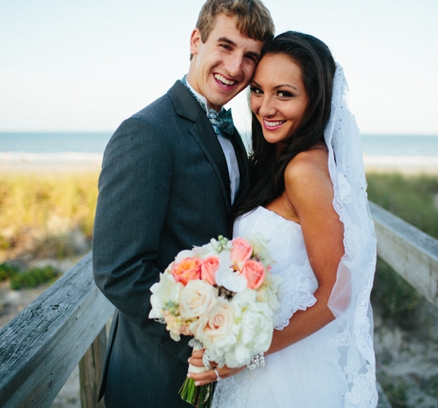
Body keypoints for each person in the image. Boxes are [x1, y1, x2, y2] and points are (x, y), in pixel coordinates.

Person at [91, 1, 274, 407]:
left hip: (220, 374)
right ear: (196, 41)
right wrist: (204, 340)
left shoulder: (231, 133)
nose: (234, 66)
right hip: (157, 375)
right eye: (225, 46)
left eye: (250, 57)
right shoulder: (146, 132)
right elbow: (118, 270)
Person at [188, 31, 379, 407]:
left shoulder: (304, 172)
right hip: (266, 364)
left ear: (314, 100)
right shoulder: (280, 162)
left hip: (286, 373)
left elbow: (338, 294)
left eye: (284, 93)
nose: (264, 107)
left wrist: (248, 351)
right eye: (258, 90)